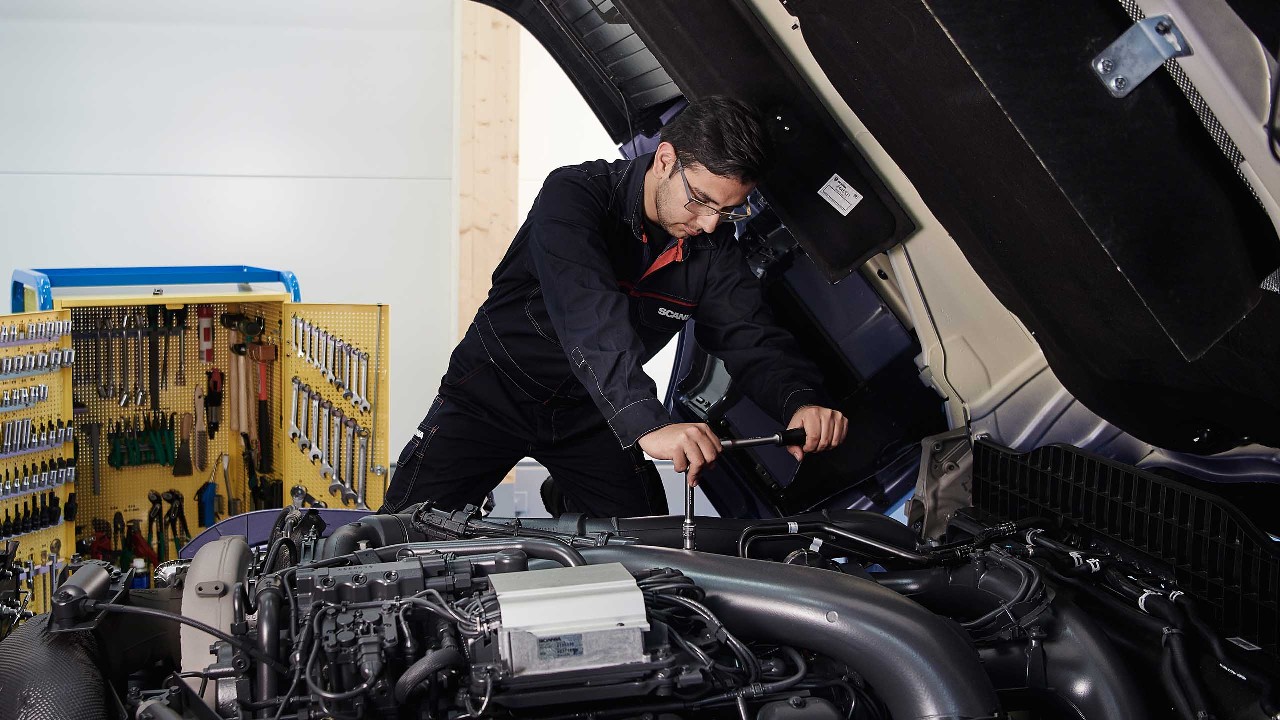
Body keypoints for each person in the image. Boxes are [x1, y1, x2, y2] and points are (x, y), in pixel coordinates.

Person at [381, 96, 847, 517]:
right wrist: (647, 424)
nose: (709, 224)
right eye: (701, 201)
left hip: (592, 412)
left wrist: (800, 400)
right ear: (665, 160)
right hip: (493, 392)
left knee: (647, 549)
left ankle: (569, 500)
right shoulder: (574, 195)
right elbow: (589, 314)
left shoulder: (713, 247)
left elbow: (749, 335)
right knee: (397, 540)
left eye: (727, 210)